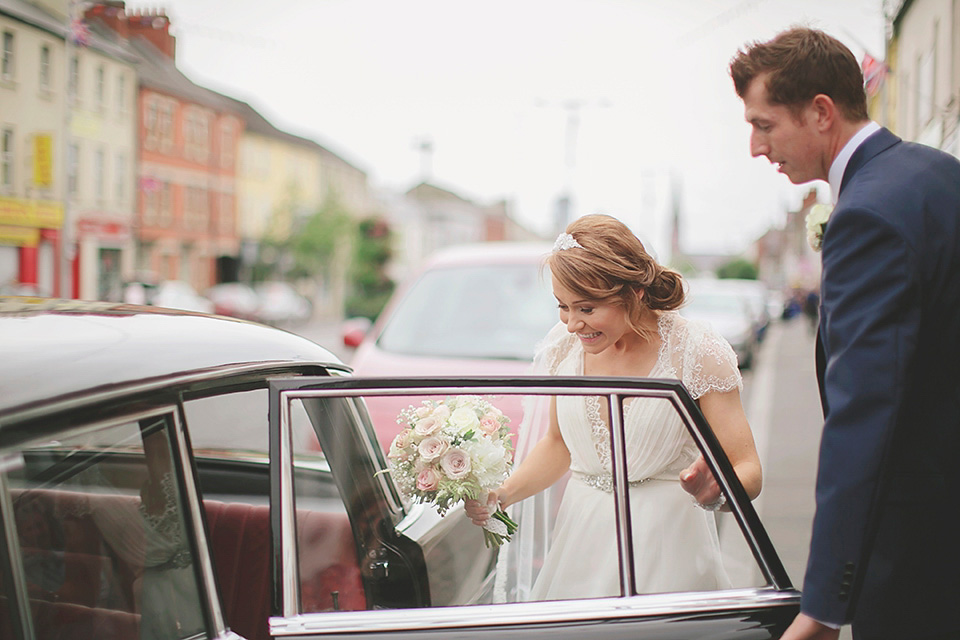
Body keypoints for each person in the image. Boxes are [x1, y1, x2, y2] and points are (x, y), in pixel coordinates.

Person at [730, 27, 960, 640]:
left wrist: (826, 601)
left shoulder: (866, 217)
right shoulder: (940, 175)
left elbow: (864, 410)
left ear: (821, 112)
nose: (756, 146)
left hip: (918, 552)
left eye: (765, 124)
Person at [465, 213, 762, 600]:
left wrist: (719, 489)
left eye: (586, 309)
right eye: (563, 307)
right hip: (580, 541)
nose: (572, 324)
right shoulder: (563, 348)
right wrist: (502, 494)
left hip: (667, 548)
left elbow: (749, 469)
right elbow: (558, 445)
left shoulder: (697, 351)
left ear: (635, 293)